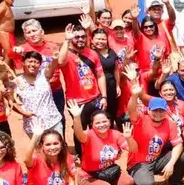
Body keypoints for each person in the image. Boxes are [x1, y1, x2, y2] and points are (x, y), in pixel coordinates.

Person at [124, 66, 184, 185]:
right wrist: (134, 95)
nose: (158, 113)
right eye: (155, 110)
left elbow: (178, 144)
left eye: (161, 111)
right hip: (140, 162)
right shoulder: (141, 120)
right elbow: (131, 110)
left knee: (182, 157)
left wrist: (171, 163)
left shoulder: (169, 123)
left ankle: (175, 182)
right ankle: (139, 182)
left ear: (166, 111)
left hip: (157, 159)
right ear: (148, 110)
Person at [70, 103, 136, 185]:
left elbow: (133, 149)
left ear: (109, 122)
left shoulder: (115, 134)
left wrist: (129, 138)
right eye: (97, 123)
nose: (101, 125)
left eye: (104, 121)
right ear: (92, 125)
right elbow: (79, 134)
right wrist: (76, 117)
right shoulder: (88, 136)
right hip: (89, 176)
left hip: (109, 172)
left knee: (128, 182)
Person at [57, 24, 107, 155]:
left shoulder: (92, 53)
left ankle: (98, 151)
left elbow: (100, 75)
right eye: (77, 37)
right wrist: (67, 40)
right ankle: (82, 155)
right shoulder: (67, 53)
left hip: (95, 98)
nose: (80, 39)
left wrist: (104, 96)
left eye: (83, 36)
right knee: (79, 129)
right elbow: (60, 62)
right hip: (76, 102)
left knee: (98, 126)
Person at [16, 19, 65, 125]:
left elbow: (61, 62)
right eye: (28, 32)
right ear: (25, 36)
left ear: (42, 32)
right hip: (35, 93)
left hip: (55, 89)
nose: (32, 34)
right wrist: (14, 52)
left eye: (34, 31)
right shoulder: (22, 50)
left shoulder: (53, 47)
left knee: (59, 118)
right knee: (37, 120)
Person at [15, 51, 63, 137]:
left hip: (53, 122)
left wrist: (55, 59)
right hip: (33, 126)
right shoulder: (16, 82)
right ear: (23, 63)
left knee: (58, 144)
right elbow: (12, 102)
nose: (33, 64)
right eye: (30, 61)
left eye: (36, 62)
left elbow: (51, 66)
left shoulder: (44, 75)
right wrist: (23, 112)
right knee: (38, 146)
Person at [91, 28, 121, 122]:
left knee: (112, 113)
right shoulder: (90, 54)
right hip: (97, 90)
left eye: (103, 39)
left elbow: (116, 70)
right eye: (98, 39)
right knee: (99, 113)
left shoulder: (112, 52)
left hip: (112, 87)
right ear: (92, 40)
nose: (100, 41)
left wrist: (117, 86)